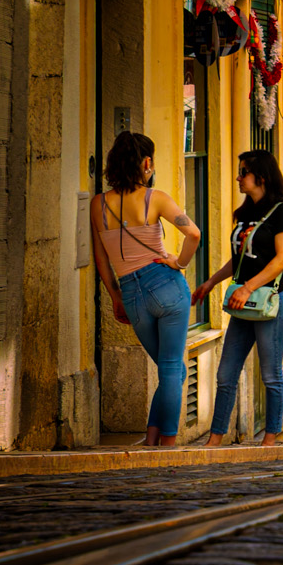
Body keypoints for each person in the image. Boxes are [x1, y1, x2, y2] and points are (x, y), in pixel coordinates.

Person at [90, 131, 202, 447]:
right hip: (165, 285)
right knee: (171, 370)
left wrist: (116, 298)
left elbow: (101, 259)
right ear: (147, 162)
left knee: (172, 371)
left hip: (131, 294)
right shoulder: (156, 198)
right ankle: (167, 444)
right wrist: (179, 263)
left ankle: (151, 438)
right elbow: (193, 234)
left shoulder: (98, 204)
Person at [195, 149, 283, 446]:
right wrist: (211, 282)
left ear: (261, 177)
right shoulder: (246, 213)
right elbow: (238, 258)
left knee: (271, 375)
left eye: (243, 172)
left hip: (269, 302)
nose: (238, 178)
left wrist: (247, 288)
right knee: (225, 375)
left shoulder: (281, 211)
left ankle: (269, 440)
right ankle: (215, 439)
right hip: (242, 302)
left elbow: (282, 259)